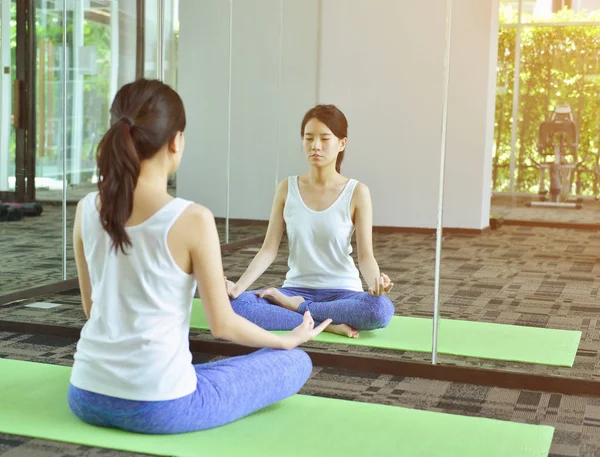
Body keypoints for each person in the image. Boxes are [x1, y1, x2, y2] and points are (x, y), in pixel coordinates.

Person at [67, 79, 331, 435]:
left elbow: (92, 308)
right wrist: (286, 340)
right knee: (293, 362)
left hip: (85, 395)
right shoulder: (192, 219)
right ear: (175, 141)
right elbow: (222, 325)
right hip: (161, 407)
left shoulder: (85, 209)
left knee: (209, 371)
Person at [227, 105, 395, 339]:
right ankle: (328, 323)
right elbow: (268, 249)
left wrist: (376, 286)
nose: (315, 146)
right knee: (236, 305)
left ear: (342, 144)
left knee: (380, 310)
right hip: (295, 288)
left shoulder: (357, 192)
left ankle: (301, 311)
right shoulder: (286, 188)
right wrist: (238, 288)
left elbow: (365, 256)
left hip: (343, 294)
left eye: (325, 138)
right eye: (309, 138)